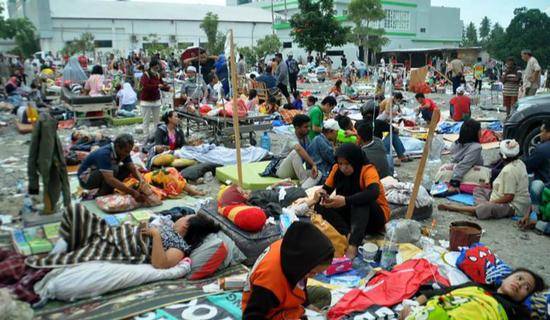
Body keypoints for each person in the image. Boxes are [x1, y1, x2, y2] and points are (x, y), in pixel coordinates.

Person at [242, 221, 334, 319]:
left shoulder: (293, 249)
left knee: (324, 295)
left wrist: (307, 304)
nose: (313, 276)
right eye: (312, 272)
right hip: (269, 312)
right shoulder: (269, 282)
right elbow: (251, 316)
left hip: (286, 297)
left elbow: (301, 285)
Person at [315, 143, 390, 259]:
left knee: (361, 201)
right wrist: (322, 194)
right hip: (352, 217)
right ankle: (348, 233)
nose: (343, 168)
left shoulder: (368, 170)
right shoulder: (336, 169)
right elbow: (326, 189)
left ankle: (353, 245)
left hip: (374, 217)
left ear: (355, 161)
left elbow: (373, 193)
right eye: (340, 163)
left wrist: (346, 200)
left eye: (347, 164)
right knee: (321, 205)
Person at [400, 268, 545, 320]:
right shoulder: (475, 287)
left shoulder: (516, 312)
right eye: (519, 278)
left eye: (526, 287)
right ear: (505, 278)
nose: (520, 284)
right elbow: (440, 292)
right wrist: (413, 304)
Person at [439, 139, 531, 220]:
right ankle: (479, 207)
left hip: (513, 205)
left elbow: (509, 197)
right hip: (501, 196)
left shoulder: (509, 170)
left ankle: (455, 208)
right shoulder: (519, 163)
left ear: (503, 157)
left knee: (485, 208)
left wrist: (490, 203)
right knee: (478, 189)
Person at [77, 134, 145, 201]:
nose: (127, 154)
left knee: (127, 168)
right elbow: (110, 179)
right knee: (113, 169)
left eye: (129, 151)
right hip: (86, 179)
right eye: (126, 151)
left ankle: (107, 189)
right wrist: (132, 192)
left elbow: (132, 168)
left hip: (100, 173)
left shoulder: (124, 151)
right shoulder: (104, 154)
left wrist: (142, 181)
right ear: (117, 147)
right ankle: (102, 195)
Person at [276, 114, 320, 188]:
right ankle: (304, 181)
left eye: (309, 126)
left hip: (296, 170)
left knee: (318, 173)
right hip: (283, 170)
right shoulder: (290, 136)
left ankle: (304, 188)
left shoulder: (305, 137)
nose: (309, 129)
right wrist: (313, 164)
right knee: (295, 152)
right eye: (306, 127)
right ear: (297, 128)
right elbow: (298, 149)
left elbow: (310, 152)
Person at [444, 119, 483, 193]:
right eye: (480, 130)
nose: (481, 132)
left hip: (454, 171)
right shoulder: (476, 147)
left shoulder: (456, 143)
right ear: (474, 133)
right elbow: (464, 165)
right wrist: (454, 183)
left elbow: (454, 160)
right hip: (465, 174)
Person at [140, 59, 170, 139]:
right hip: (146, 101)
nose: (158, 67)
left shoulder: (158, 75)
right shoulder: (145, 75)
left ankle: (156, 136)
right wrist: (157, 86)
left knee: (157, 121)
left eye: (158, 66)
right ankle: (146, 137)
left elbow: (161, 85)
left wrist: (167, 87)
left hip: (156, 101)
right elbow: (145, 86)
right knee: (146, 121)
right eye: (157, 65)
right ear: (153, 66)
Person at [523, 120, 550, 206]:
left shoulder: (541, 149)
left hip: (546, 188)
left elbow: (528, 167)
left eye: (542, 131)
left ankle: (536, 211)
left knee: (535, 185)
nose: (540, 134)